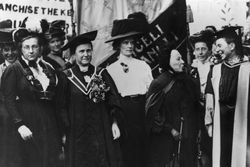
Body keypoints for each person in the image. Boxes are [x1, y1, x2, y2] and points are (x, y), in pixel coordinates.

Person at [60, 30, 123, 167]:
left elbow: (112, 100)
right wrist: (64, 132)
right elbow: (61, 106)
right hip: (76, 132)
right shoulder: (67, 76)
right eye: (81, 51)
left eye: (88, 51)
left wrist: (114, 123)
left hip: (100, 129)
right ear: (74, 54)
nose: (86, 55)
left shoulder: (101, 73)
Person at [1, 28, 63, 167]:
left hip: (49, 121)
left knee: (51, 159)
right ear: (21, 49)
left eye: (34, 46)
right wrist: (20, 124)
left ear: (40, 48)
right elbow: (8, 100)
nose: (30, 51)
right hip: (28, 122)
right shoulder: (14, 69)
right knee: (32, 160)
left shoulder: (48, 68)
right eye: (26, 47)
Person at [106, 17, 153, 167]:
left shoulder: (143, 65)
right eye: (126, 42)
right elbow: (111, 98)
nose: (129, 46)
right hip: (124, 112)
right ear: (118, 45)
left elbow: (151, 90)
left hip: (142, 109)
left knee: (144, 150)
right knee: (127, 151)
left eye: (132, 42)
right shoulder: (110, 69)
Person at [145, 48, 201, 167]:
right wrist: (170, 129)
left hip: (188, 135)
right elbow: (152, 113)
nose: (182, 62)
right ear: (167, 61)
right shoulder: (159, 83)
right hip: (168, 138)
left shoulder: (186, 79)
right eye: (178, 59)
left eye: (182, 58)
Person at [205, 26, 250, 167]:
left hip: (244, 124)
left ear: (232, 46)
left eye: (219, 45)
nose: (216, 49)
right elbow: (209, 100)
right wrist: (209, 123)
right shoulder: (215, 70)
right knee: (222, 159)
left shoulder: (248, 68)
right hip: (221, 124)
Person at [0, 25, 19, 167]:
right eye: (6, 50)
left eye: (13, 49)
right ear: (1, 51)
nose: (10, 53)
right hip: (5, 119)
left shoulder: (24, 68)